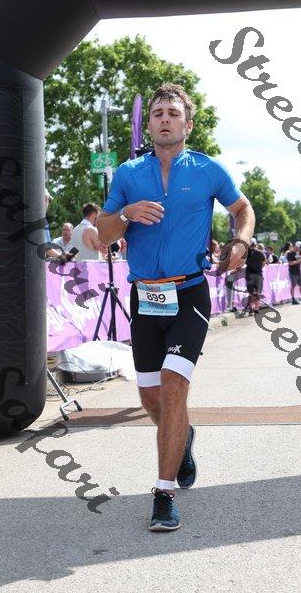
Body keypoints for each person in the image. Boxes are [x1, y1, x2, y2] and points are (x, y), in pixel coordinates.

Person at [97, 83, 255, 532]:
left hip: (189, 293)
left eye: (172, 113)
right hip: (146, 297)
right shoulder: (128, 173)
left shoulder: (207, 169)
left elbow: (242, 208)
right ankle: (182, 437)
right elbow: (104, 233)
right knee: (150, 398)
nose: (164, 119)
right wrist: (126, 213)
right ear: (149, 125)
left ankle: (163, 494)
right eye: (157, 114)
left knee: (172, 386)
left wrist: (241, 241)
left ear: (188, 124)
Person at [243, 237, 265, 315]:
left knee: (251, 292)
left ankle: (251, 309)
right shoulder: (260, 253)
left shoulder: (246, 253)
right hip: (258, 274)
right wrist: (259, 268)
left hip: (250, 274)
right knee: (258, 292)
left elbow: (242, 262)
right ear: (255, 244)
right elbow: (264, 263)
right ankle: (256, 309)